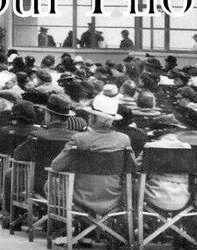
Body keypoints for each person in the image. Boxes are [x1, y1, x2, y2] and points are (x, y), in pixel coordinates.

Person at [49, 93, 135, 224]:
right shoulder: (124, 140)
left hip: (80, 196)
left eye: (90, 115)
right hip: (113, 196)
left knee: (51, 182)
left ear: (94, 118)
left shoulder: (80, 138)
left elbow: (56, 165)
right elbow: (132, 167)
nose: (88, 116)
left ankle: (62, 226)